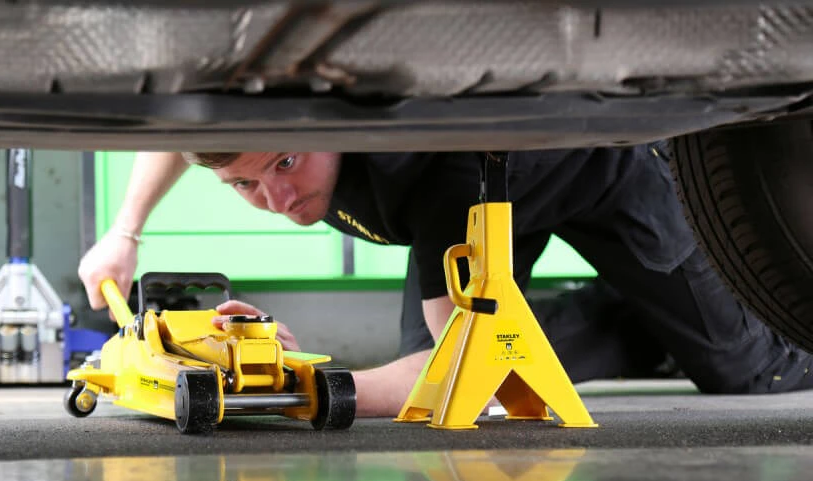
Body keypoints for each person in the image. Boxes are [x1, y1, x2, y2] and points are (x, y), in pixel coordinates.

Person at [78, 148, 813, 417]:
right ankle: (649, 320)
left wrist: (289, 384)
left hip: (603, 172)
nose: (276, 198)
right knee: (467, 369)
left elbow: (457, 372)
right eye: (244, 185)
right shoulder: (274, 129)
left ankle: (663, 313)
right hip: (492, 199)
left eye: (286, 165)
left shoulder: (436, 178)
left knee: (753, 373)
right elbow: (187, 129)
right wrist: (124, 233)